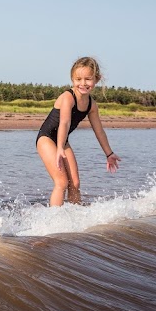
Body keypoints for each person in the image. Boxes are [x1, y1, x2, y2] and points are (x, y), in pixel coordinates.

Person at [36, 56, 121, 206]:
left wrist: (109, 153)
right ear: (72, 79)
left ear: (97, 79)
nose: (83, 83)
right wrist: (60, 148)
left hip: (63, 141)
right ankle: (53, 220)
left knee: (75, 183)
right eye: (78, 79)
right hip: (47, 139)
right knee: (61, 182)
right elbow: (65, 122)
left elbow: (99, 131)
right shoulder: (68, 97)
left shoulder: (91, 105)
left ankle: (75, 220)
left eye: (88, 79)